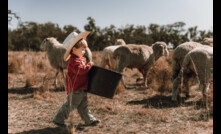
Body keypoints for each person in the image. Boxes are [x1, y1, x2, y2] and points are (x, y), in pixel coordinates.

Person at [53, 32, 100, 127]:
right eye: (82, 49)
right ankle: (58, 119)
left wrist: (87, 65)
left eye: (84, 49)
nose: (84, 51)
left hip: (82, 87)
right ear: (74, 49)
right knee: (70, 105)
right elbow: (80, 71)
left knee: (83, 106)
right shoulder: (74, 61)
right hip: (76, 89)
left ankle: (89, 120)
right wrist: (89, 66)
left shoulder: (80, 59)